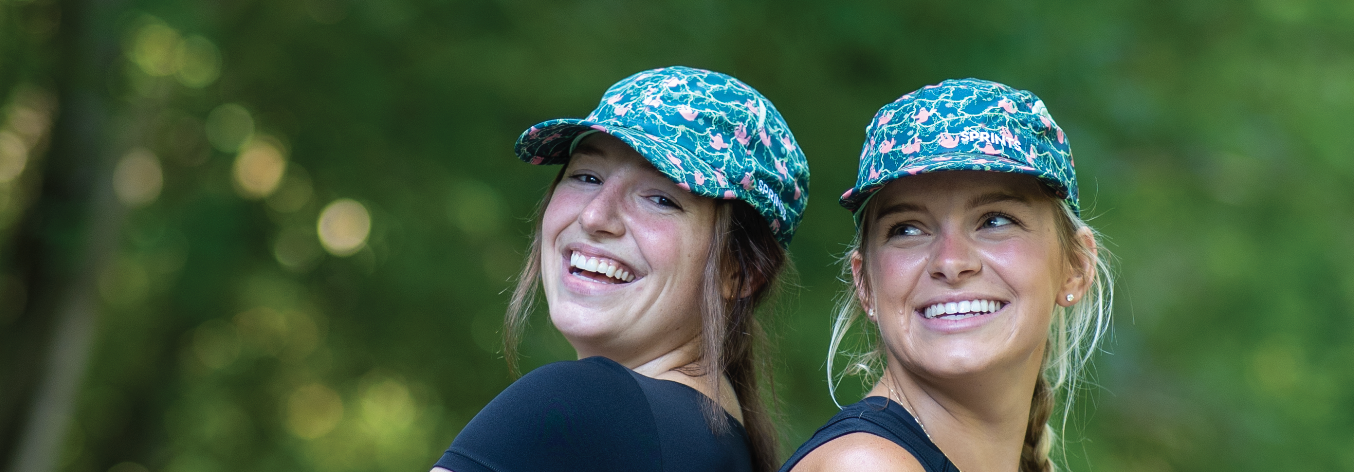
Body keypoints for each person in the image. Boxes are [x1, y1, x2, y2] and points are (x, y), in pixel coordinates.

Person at [431, 66, 809, 472]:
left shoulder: (572, 403)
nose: (595, 215)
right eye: (587, 176)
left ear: (741, 270)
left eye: (661, 198)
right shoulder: (726, 447)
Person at [782, 79, 1112, 472]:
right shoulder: (866, 465)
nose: (951, 262)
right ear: (865, 284)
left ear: (1075, 267)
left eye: (994, 220)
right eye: (907, 228)